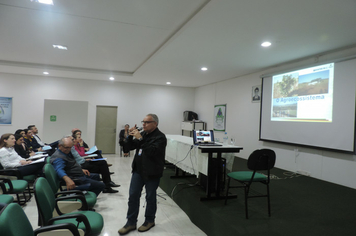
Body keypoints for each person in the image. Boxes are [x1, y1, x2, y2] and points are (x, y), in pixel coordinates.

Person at [118, 114, 167, 235]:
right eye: (143, 122)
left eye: (147, 122)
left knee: (150, 197)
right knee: (133, 196)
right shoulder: (143, 134)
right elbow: (127, 148)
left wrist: (140, 139)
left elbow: (151, 152)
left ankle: (149, 221)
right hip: (138, 171)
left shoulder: (160, 137)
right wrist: (130, 136)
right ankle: (131, 222)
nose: (143, 124)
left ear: (155, 124)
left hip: (152, 173)